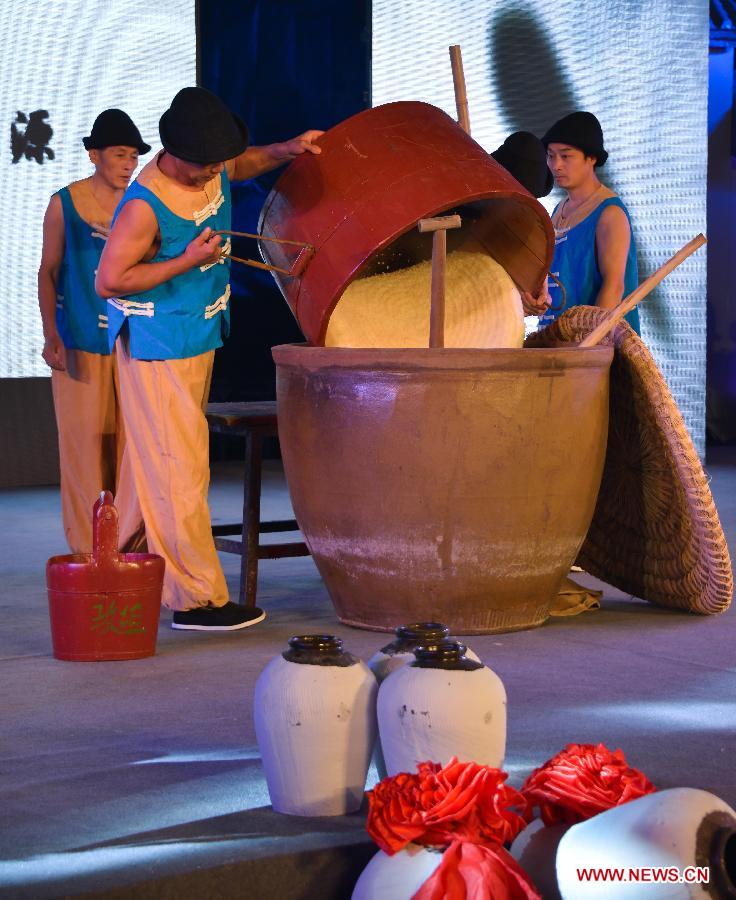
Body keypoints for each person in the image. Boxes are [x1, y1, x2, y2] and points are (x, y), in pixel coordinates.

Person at [95, 87, 322, 632]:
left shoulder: (213, 164)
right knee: (178, 467)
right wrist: (186, 260)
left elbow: (243, 164)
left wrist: (287, 149)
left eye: (215, 166)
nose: (211, 176)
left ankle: (116, 563)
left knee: (152, 462)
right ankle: (194, 600)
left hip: (194, 337)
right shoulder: (144, 205)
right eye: (202, 168)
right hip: (158, 346)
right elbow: (110, 280)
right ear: (174, 153)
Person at [38, 109, 149, 553]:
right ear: (94, 155)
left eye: (133, 156)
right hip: (81, 341)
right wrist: (51, 334)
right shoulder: (64, 203)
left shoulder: (139, 205)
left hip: (133, 342)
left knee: (131, 449)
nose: (128, 164)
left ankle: (129, 549)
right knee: (84, 451)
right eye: (119, 155)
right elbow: (48, 270)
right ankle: (88, 553)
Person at [526, 111, 640, 332]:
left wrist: (588, 346)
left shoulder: (610, 213)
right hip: (556, 344)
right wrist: (536, 299)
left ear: (592, 157)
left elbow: (614, 287)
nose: (556, 165)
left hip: (594, 353)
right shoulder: (558, 211)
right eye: (551, 156)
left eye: (566, 156)